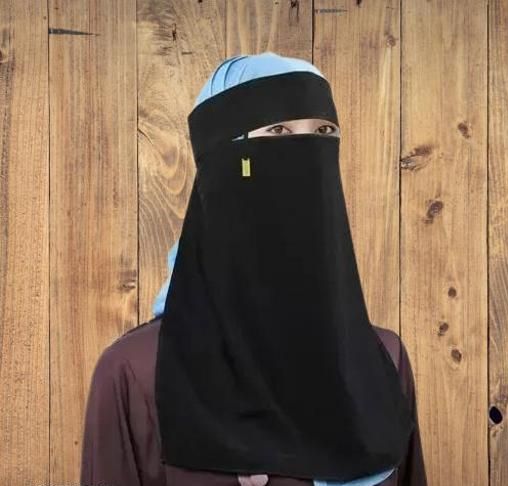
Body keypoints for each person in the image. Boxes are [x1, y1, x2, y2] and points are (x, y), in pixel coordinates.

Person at [80, 52, 428, 486]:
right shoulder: (136, 373)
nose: (308, 154)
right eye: (277, 131)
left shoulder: (382, 362)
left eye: (324, 132)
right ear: (223, 157)